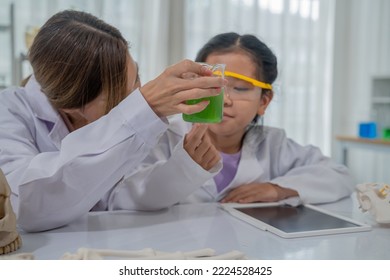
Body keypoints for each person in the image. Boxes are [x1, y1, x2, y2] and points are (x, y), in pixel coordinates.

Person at [0, 10, 226, 232]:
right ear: (72, 106)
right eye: (123, 97)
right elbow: (25, 206)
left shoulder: (130, 126)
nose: (137, 93)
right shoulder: (9, 111)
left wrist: (183, 169)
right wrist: (141, 110)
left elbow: (119, 195)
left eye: (137, 76)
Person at [116, 32, 355, 210]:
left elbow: (339, 175)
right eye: (212, 86)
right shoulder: (162, 137)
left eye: (240, 88)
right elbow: (123, 198)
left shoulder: (274, 144)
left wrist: (277, 189)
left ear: (264, 101)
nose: (225, 99)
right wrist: (181, 168)